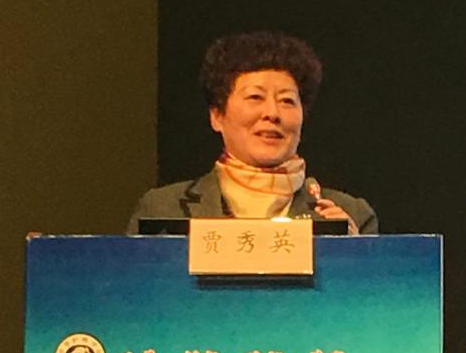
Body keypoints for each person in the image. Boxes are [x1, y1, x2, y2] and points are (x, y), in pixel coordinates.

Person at [127, 31, 377, 235]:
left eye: (287, 101)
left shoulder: (352, 215)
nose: (272, 113)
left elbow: (372, 284)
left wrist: (355, 257)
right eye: (255, 97)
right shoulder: (163, 210)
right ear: (217, 116)